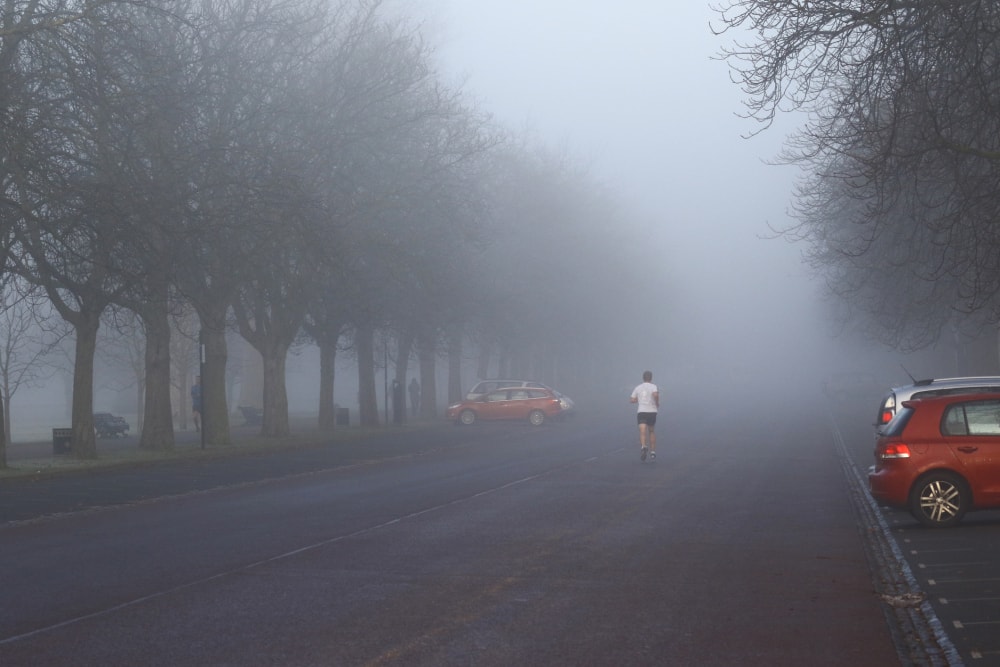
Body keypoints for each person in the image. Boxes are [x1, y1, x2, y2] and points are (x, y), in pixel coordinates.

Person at [630, 370, 659, 461]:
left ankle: (643, 446)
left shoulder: (638, 387)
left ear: (643, 378)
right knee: (651, 431)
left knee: (642, 431)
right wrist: (657, 402)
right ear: (651, 378)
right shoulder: (653, 386)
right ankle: (653, 452)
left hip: (642, 411)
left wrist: (639, 400)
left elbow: (632, 400)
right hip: (652, 411)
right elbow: (655, 394)